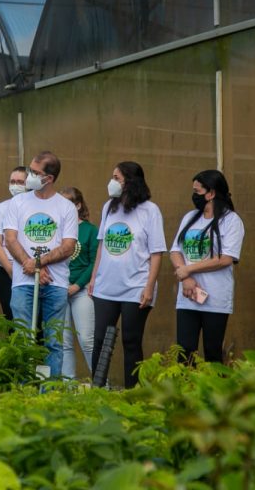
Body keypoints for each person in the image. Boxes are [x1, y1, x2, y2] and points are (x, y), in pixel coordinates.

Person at [88, 162, 166, 388]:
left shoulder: (150, 211)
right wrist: (94, 279)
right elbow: (102, 245)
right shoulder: (108, 207)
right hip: (106, 286)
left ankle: (132, 392)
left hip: (136, 287)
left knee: (131, 340)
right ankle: (97, 388)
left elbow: (157, 252)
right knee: (100, 340)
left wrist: (149, 286)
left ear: (131, 181)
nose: (112, 182)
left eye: (117, 178)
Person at [4, 151, 78, 378]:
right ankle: (24, 387)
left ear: (50, 178)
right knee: (23, 336)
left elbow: (68, 246)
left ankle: (49, 389)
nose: (30, 177)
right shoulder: (17, 203)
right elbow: (10, 238)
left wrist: (38, 263)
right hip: (22, 282)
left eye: (36, 173)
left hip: (55, 284)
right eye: (30, 171)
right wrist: (30, 264)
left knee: (54, 341)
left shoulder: (66, 207)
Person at [170, 169, 244, 364]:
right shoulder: (190, 217)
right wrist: (185, 278)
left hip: (215, 298)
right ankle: (185, 393)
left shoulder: (231, 221)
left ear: (211, 193)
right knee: (185, 350)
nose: (194, 195)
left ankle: (213, 393)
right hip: (188, 295)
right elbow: (175, 250)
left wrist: (189, 269)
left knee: (212, 351)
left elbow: (225, 259)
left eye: (198, 191)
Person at [59, 187, 98, 380]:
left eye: (68, 203)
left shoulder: (90, 230)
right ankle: (68, 386)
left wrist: (77, 285)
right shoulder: (56, 229)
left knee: (86, 338)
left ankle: (102, 384)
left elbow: (94, 262)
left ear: (78, 205)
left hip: (81, 291)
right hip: (59, 290)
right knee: (63, 341)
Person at [0, 166, 28, 320]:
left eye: (20, 182)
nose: (15, 185)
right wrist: (11, 270)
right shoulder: (1, 208)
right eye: (12, 181)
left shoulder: (35, 207)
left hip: (29, 270)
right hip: (5, 271)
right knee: (13, 318)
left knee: (34, 322)